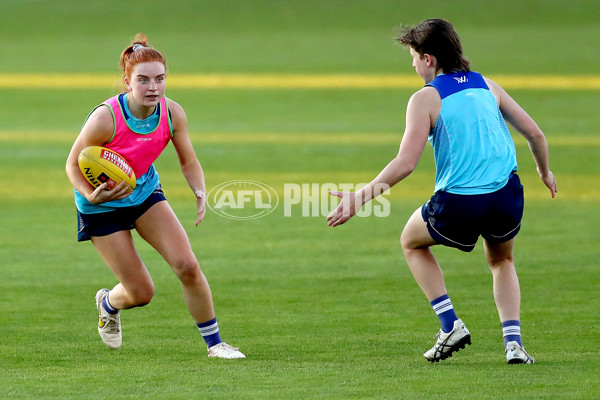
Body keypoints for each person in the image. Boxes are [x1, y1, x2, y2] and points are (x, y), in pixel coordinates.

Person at [326, 19, 556, 364]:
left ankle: (450, 325)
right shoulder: (488, 86)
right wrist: (544, 171)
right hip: (506, 195)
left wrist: (360, 197)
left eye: (414, 57)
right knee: (502, 260)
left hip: (461, 201)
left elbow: (406, 162)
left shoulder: (425, 98)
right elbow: (535, 134)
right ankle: (514, 344)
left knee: (410, 241)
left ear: (429, 59)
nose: (413, 65)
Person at [65, 33, 245, 359]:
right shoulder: (106, 118)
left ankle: (215, 344)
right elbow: (72, 164)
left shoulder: (172, 113)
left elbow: (188, 159)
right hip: (101, 207)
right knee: (142, 292)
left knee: (187, 265)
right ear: (127, 81)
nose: (153, 87)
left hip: (144, 193)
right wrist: (91, 195)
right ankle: (108, 303)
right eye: (143, 80)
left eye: (160, 79)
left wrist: (199, 189)